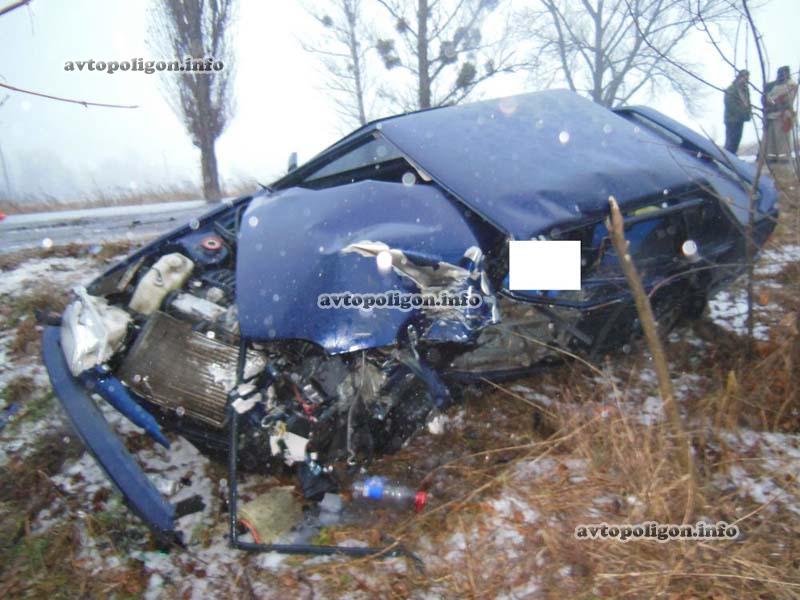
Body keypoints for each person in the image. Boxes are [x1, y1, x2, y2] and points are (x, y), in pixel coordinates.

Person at [763, 66, 798, 162]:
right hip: (771, 115)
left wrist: (775, 102)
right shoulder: (772, 86)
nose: (782, 75)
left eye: (784, 73)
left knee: (782, 138)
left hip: (783, 116)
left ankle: (784, 157)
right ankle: (772, 157)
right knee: (771, 138)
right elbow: (766, 99)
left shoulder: (791, 85)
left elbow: (787, 99)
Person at [724, 70, 751, 154]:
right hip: (732, 119)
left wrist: (747, 114)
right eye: (744, 78)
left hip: (740, 119)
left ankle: (733, 156)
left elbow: (748, 103)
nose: (746, 80)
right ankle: (728, 157)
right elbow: (730, 104)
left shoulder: (745, 90)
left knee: (737, 140)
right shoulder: (731, 89)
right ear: (740, 77)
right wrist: (741, 113)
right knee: (730, 141)